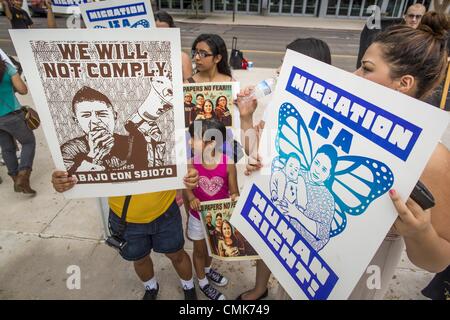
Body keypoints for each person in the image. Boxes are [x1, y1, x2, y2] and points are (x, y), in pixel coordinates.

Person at [349, 12, 450, 299]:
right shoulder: (342, 123)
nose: (355, 76)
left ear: (403, 83)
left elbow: (438, 260)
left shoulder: (431, 157)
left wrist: (420, 232)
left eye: (367, 69)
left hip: (357, 280)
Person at [234, 37, 336, 300]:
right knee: (269, 241)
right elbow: (254, 151)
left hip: (306, 208)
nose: (279, 71)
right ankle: (260, 287)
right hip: (277, 194)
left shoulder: (330, 117)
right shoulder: (279, 106)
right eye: (281, 63)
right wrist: (246, 117)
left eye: (288, 64)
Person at [51, 168, 200, 300]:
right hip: (125, 220)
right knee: (139, 259)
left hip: (165, 212)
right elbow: (76, 168)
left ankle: (188, 286)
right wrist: (63, 180)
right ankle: (151, 287)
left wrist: (190, 173)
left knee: (177, 255)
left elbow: (182, 159)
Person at [183, 119, 239, 300]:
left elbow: (234, 191)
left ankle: (207, 270)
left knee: (212, 249)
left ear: (212, 142)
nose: (190, 142)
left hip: (218, 218)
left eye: (194, 138)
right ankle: (203, 282)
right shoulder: (191, 163)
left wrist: (235, 198)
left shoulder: (228, 163)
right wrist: (191, 198)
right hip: (197, 218)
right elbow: (187, 188)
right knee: (199, 251)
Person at [61, 86, 148, 175]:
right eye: (86, 115)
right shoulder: (69, 150)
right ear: (77, 121)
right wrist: (94, 157)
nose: (95, 121)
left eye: (102, 114)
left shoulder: (134, 144)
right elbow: (71, 181)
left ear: (114, 116)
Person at [0, 57, 36, 195]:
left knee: (7, 148)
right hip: (11, 114)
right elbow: (23, 90)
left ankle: (16, 179)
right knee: (28, 142)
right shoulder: (7, 68)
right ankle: (23, 177)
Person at [154, 10, 193, 82]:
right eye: (156, 31)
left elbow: (189, 83)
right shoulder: (137, 57)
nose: (160, 35)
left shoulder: (182, 57)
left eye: (165, 32)